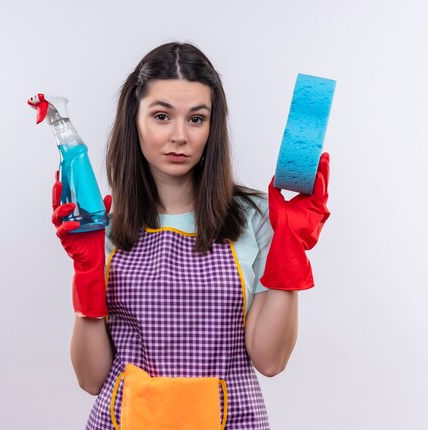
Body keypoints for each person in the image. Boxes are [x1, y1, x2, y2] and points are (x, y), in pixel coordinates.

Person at [51, 42, 330, 429]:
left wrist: (290, 246)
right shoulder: (105, 229)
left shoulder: (255, 217)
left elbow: (270, 360)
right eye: (162, 116)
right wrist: (87, 272)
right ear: (135, 119)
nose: (179, 135)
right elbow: (90, 379)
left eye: (196, 119)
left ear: (213, 128)